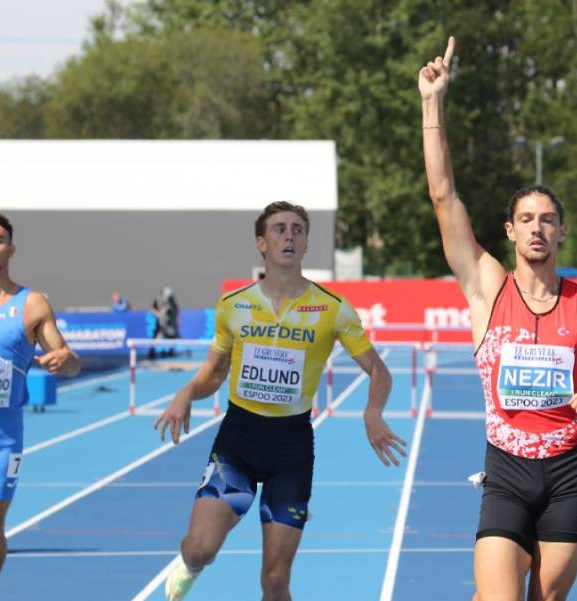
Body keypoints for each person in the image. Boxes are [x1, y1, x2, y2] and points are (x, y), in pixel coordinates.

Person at [419, 37, 577, 601]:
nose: (537, 228)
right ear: (509, 231)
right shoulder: (487, 286)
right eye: (526, 219)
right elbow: (442, 195)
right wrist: (432, 103)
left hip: (569, 472)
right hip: (506, 470)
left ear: (561, 231)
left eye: (548, 219)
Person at [155, 202, 406, 601]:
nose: (289, 236)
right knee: (199, 548)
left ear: (306, 244)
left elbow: (379, 370)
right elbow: (214, 374)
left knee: (275, 580)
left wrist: (372, 411)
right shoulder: (233, 306)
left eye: (297, 230)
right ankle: (188, 565)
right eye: (279, 229)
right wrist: (186, 392)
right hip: (238, 441)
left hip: (290, 449)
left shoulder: (332, 309)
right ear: (261, 242)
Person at [0, 212, 81, 600]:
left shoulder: (32, 305)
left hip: (4, 434)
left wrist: (67, 361)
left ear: (11, 248)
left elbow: (69, 361)